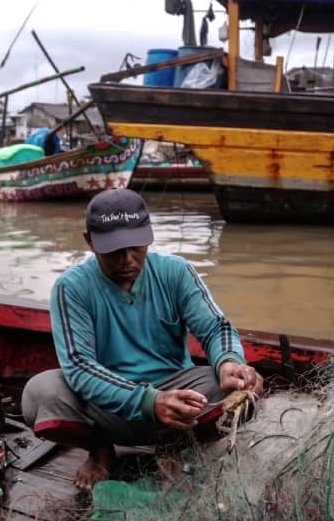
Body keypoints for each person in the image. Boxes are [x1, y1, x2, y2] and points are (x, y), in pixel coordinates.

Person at [22, 188, 264, 490]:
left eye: (136, 247)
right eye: (113, 250)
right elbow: (79, 366)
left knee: (240, 390)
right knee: (39, 394)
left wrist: (230, 362)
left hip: (177, 397)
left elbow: (216, 328)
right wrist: (149, 401)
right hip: (107, 408)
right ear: (89, 242)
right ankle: (99, 449)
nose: (127, 259)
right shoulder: (71, 287)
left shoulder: (176, 272)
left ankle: (177, 446)